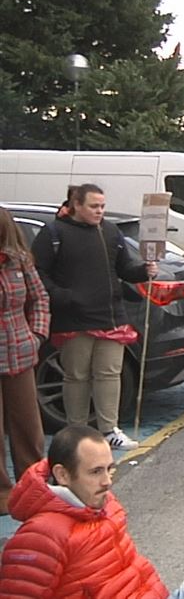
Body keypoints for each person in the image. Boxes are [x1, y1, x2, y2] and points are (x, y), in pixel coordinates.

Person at [0, 424, 184, 598]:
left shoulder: (100, 503)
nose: (107, 481)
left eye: (110, 469)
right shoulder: (40, 537)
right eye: (95, 472)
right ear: (62, 475)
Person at [31, 183, 155, 451]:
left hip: (110, 315)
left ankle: (109, 429)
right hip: (73, 318)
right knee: (76, 376)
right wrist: (64, 297)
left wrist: (145, 270)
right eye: (94, 206)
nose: (100, 211)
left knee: (109, 373)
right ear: (76, 204)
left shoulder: (110, 231)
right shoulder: (53, 233)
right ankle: (76, 431)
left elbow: (124, 269)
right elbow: (39, 273)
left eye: (102, 206)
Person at [0, 206, 50, 516]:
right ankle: (2, 494)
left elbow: (40, 298)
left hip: (20, 353)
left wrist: (37, 334)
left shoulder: (19, 262)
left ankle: (32, 487)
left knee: (28, 428)